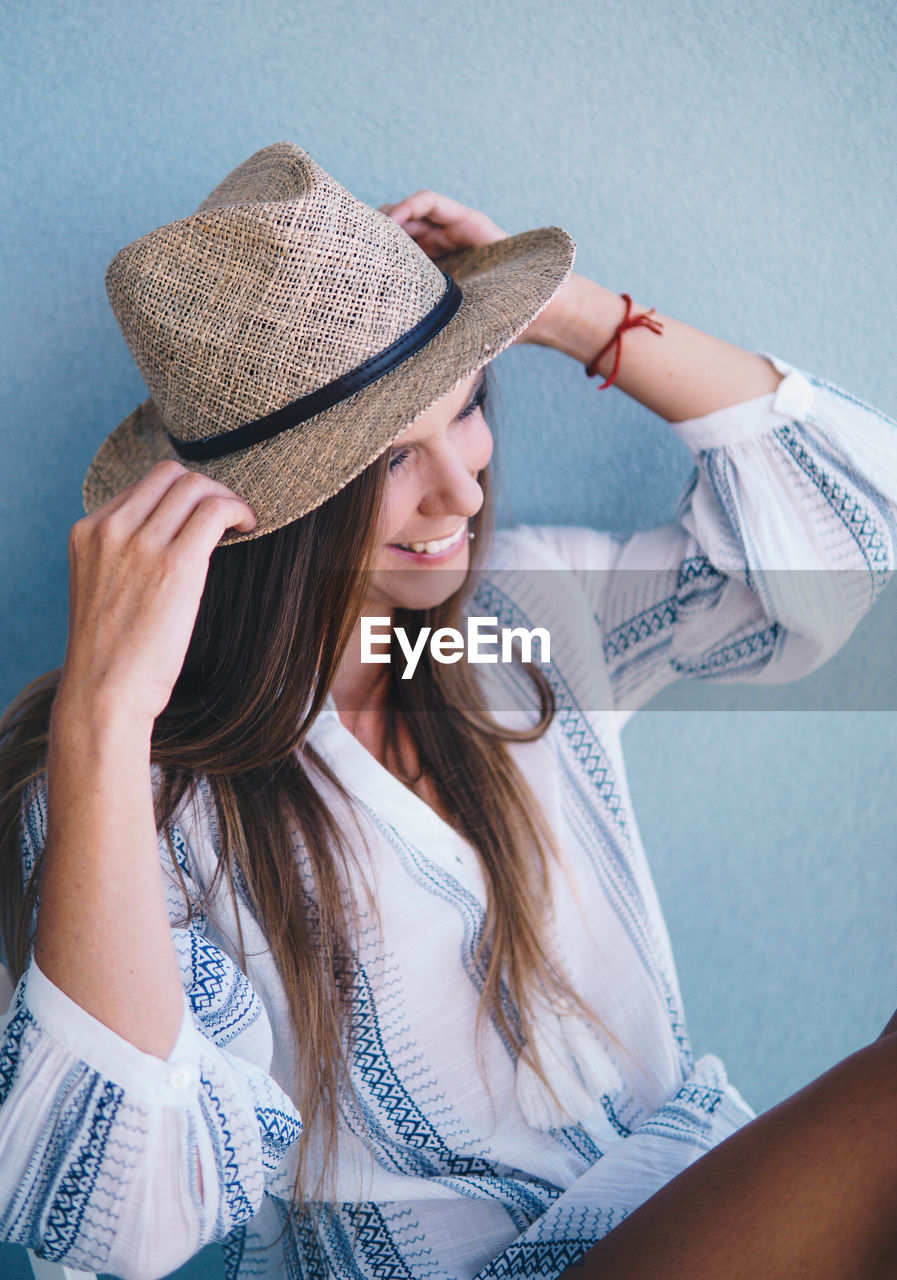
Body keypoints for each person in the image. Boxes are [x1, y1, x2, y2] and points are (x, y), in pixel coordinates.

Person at [0, 141, 895, 1280]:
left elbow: (848, 544)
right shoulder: (146, 799)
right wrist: (103, 715)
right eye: (388, 462)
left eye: (469, 408)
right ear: (260, 516)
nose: (464, 490)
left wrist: (575, 315)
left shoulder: (517, 627)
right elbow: (123, 1220)